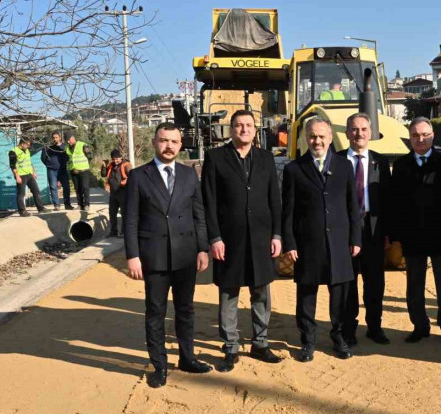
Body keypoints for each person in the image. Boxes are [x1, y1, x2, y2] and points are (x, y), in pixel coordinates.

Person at [123, 122, 212, 388]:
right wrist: (133, 255)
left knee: (185, 310)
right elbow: (130, 220)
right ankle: (159, 365)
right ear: (154, 142)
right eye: (164, 140)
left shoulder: (188, 174)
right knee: (155, 312)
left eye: (174, 141)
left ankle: (187, 358)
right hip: (154, 256)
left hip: (185, 254)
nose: (169, 146)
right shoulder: (139, 176)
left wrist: (203, 248)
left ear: (180, 145)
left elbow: (199, 215)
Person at [201, 110, 283, 372]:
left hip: (261, 238)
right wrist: (214, 237)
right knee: (228, 293)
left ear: (255, 129)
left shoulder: (266, 158)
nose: (244, 129)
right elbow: (209, 202)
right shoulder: (215, 158)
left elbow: (275, 200)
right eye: (239, 125)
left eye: (248, 125)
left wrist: (277, 234)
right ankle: (230, 347)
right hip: (229, 240)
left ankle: (260, 343)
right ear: (231, 129)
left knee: (261, 292)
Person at [282, 117, 362, 362]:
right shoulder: (293, 169)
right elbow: (288, 211)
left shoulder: (344, 165)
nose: (317, 141)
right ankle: (308, 341)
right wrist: (290, 243)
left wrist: (355, 238)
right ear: (307, 138)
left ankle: (339, 338)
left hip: (339, 243)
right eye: (313, 136)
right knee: (306, 296)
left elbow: (353, 207)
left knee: (340, 296)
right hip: (308, 244)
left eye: (322, 136)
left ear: (330, 137)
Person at [391, 117, 441, 345]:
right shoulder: (400, 166)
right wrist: (397, 235)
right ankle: (419, 326)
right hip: (413, 236)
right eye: (415, 135)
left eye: (425, 135)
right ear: (409, 138)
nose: (420, 139)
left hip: (440, 235)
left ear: (432, 135)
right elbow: (396, 203)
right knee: (414, 284)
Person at [336, 113, 392, 346]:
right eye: (355, 129)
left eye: (364, 129)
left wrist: (388, 233)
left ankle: (375, 327)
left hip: (373, 232)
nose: (359, 133)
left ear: (371, 133)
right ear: (347, 133)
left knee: (375, 282)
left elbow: (388, 200)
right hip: (345, 232)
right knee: (348, 283)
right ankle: (349, 329)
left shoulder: (380, 161)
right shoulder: (335, 160)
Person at [9, 137, 48, 217]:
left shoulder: (27, 151)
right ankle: (22, 211)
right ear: (22, 143)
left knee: (36, 191)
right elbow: (12, 165)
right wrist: (17, 176)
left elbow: (29, 162)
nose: (28, 146)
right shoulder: (13, 151)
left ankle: (41, 208)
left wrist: (34, 172)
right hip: (21, 175)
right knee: (21, 194)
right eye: (27, 145)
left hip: (29, 174)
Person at [100, 149, 132, 237]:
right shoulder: (111, 165)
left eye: (117, 158)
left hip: (123, 193)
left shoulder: (126, 165)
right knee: (112, 213)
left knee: (124, 213)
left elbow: (133, 177)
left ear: (121, 157)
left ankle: (123, 232)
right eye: (113, 159)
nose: (115, 160)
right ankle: (113, 232)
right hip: (113, 194)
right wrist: (103, 166)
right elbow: (103, 174)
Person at [41, 132, 72, 210]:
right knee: (53, 187)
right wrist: (49, 164)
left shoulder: (65, 146)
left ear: (60, 138)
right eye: (53, 137)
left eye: (56, 137)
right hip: (52, 170)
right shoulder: (48, 147)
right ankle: (56, 205)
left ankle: (67, 205)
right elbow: (43, 158)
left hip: (62, 170)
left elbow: (68, 157)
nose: (55, 139)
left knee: (66, 187)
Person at [66, 135, 94, 211]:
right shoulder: (67, 147)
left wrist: (85, 164)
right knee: (77, 189)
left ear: (73, 138)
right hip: (74, 171)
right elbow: (68, 158)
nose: (68, 142)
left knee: (85, 187)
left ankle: (87, 204)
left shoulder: (82, 145)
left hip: (83, 170)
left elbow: (90, 156)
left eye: (69, 140)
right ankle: (80, 205)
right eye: (67, 141)